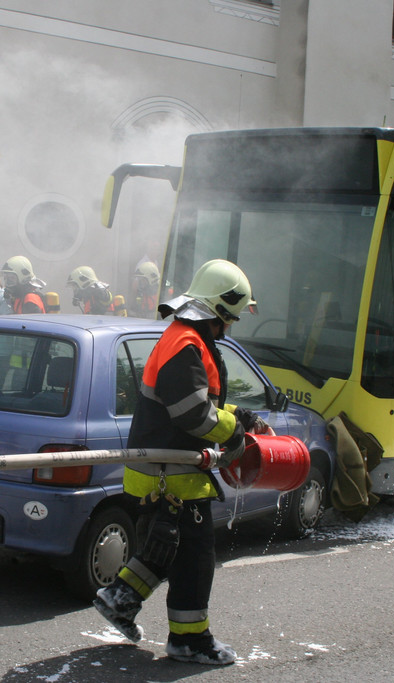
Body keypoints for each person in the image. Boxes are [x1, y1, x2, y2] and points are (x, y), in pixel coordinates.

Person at [93, 259, 265, 666]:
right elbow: (193, 415)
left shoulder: (183, 340)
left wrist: (238, 416)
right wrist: (234, 434)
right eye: (230, 318)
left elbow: (197, 403)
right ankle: (190, 640)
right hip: (172, 476)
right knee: (195, 560)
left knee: (166, 547)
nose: (229, 327)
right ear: (218, 311)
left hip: (162, 472)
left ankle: (119, 598)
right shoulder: (187, 346)